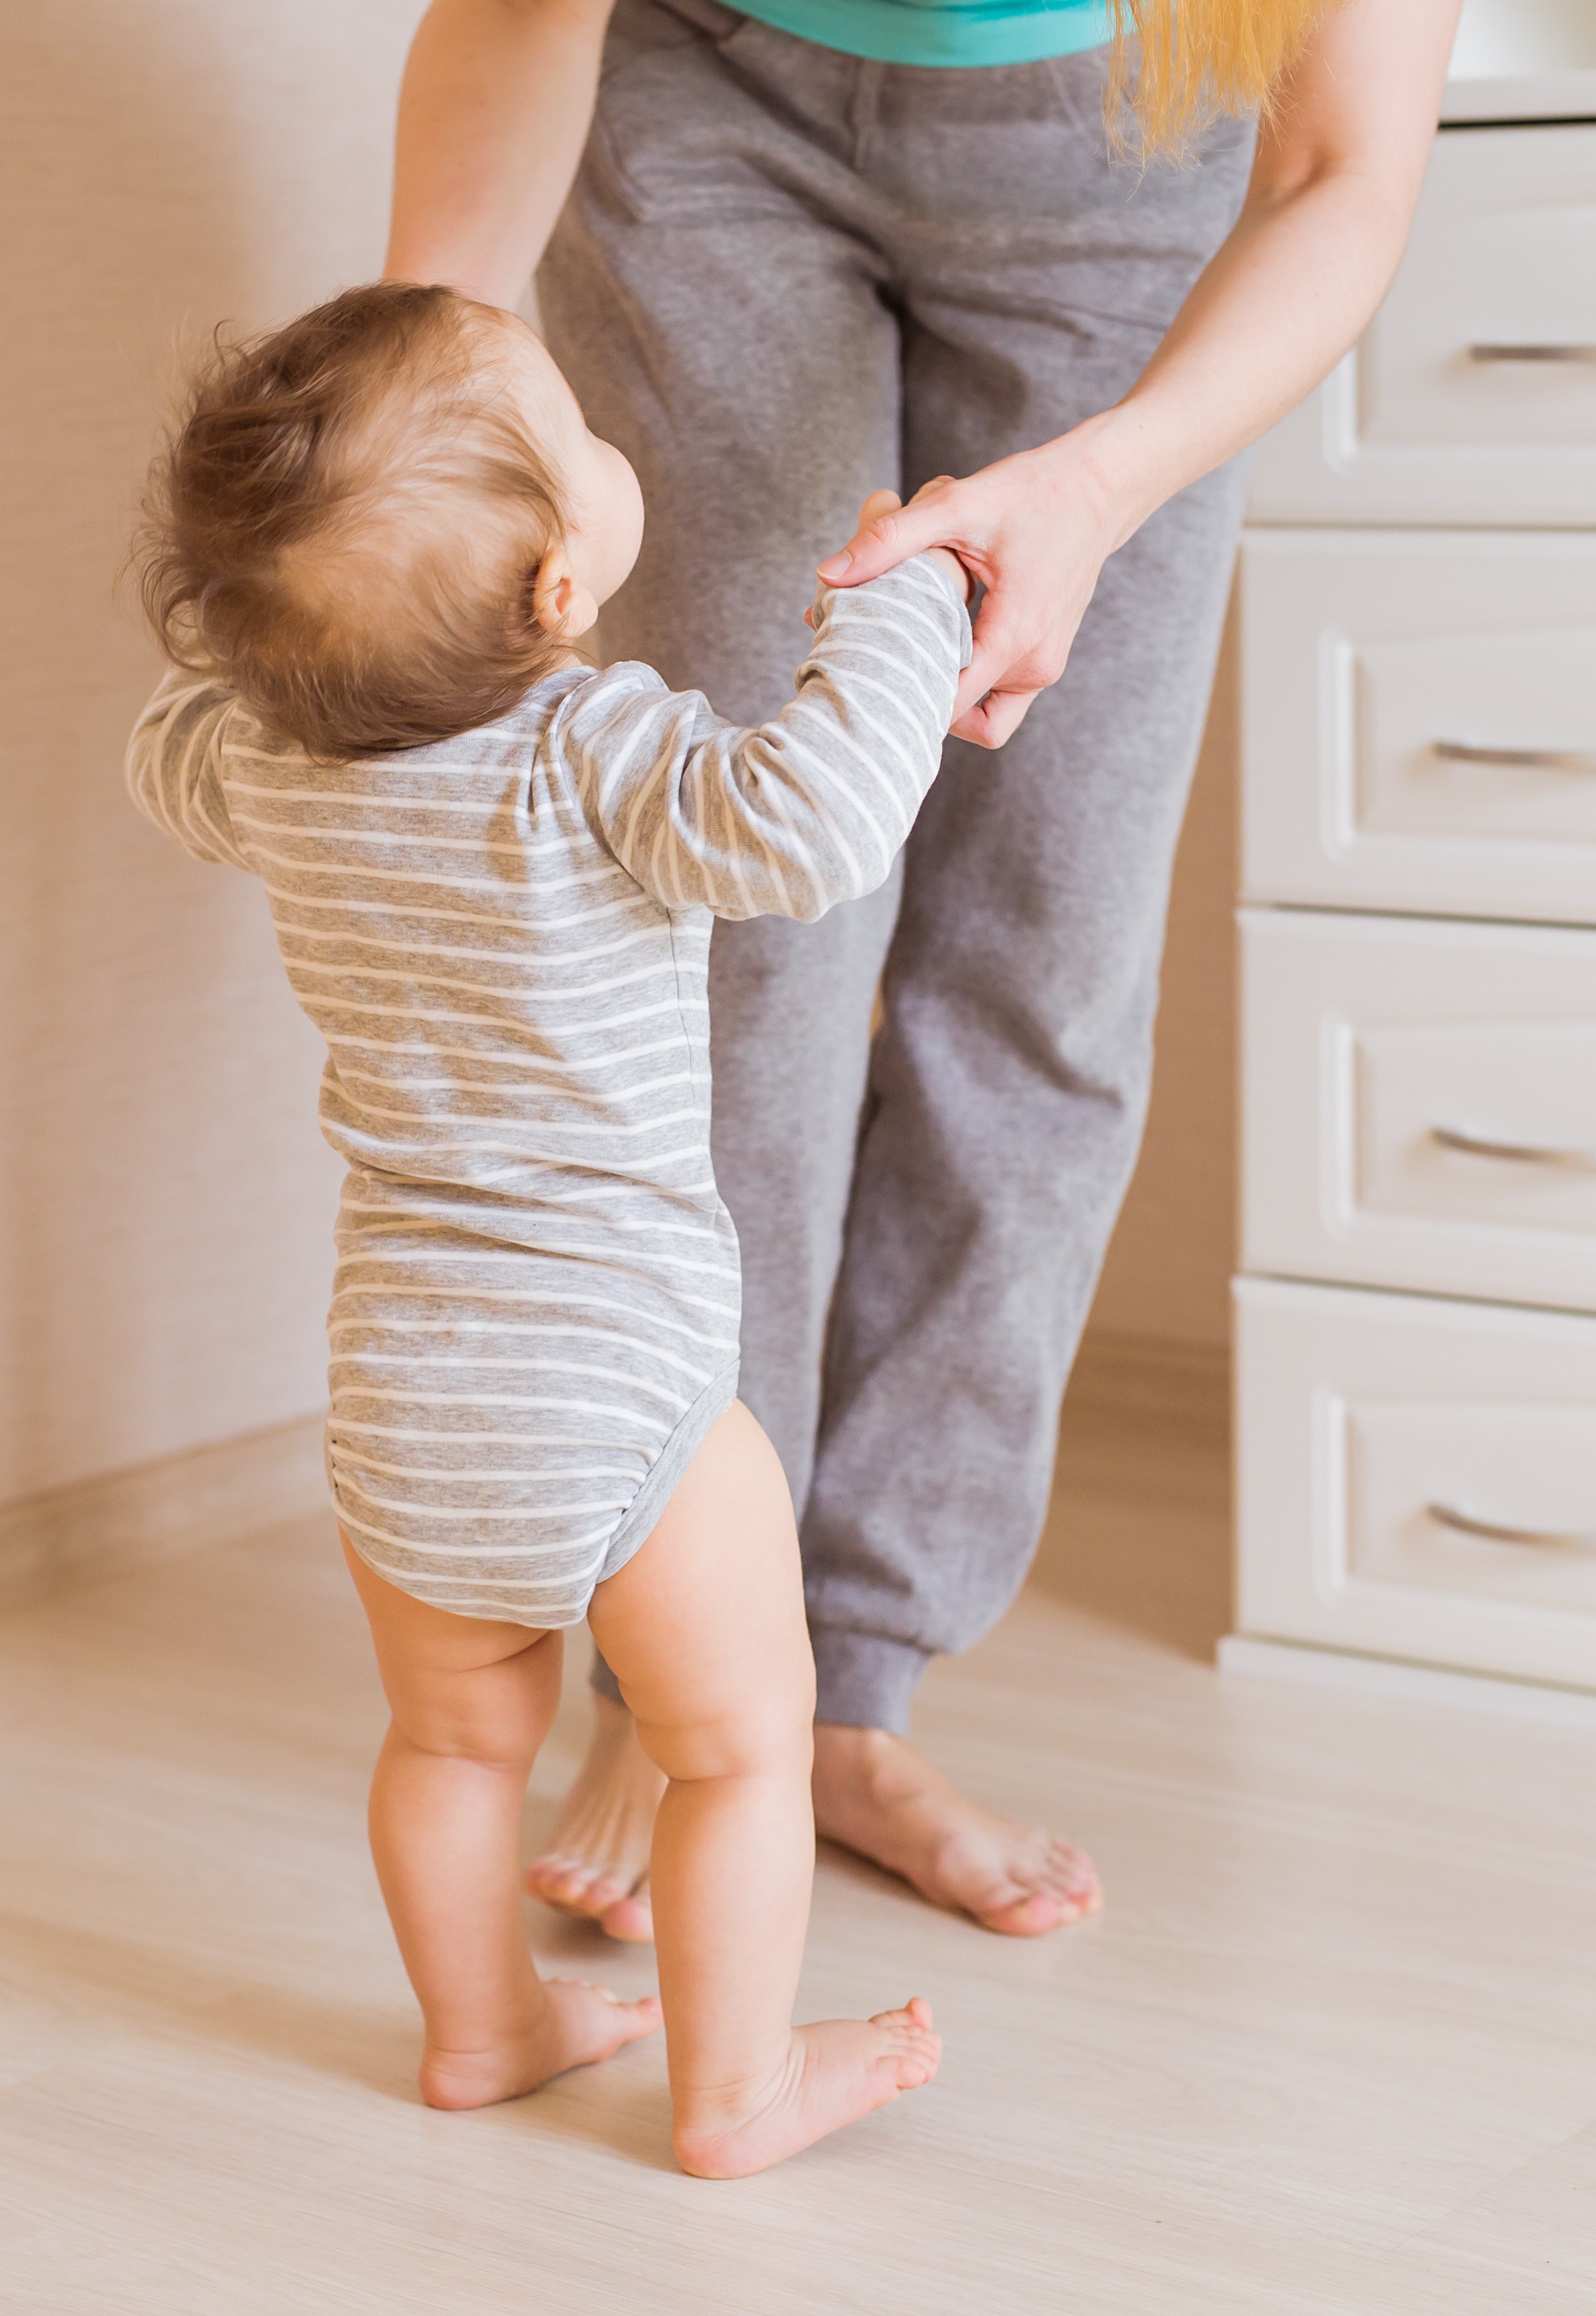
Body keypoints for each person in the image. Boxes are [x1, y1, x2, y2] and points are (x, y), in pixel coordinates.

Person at [384, 0, 1459, 1940]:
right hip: (713, 99)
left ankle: (849, 1685)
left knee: (1040, 943)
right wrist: (410, 417)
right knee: (739, 925)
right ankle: (696, 1665)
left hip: (1140, 145)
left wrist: (1101, 486)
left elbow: (1339, 172)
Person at [126, 280, 980, 2174]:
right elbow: (808, 826)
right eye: (584, 436)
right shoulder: (591, 748)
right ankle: (735, 2088)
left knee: (450, 1746)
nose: (614, 450)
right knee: (742, 1744)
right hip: (628, 1386)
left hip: (403, 1392)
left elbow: (165, 752)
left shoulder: (274, 769)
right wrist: (906, 607)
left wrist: (278, 656)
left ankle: (484, 2028)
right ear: (551, 594)